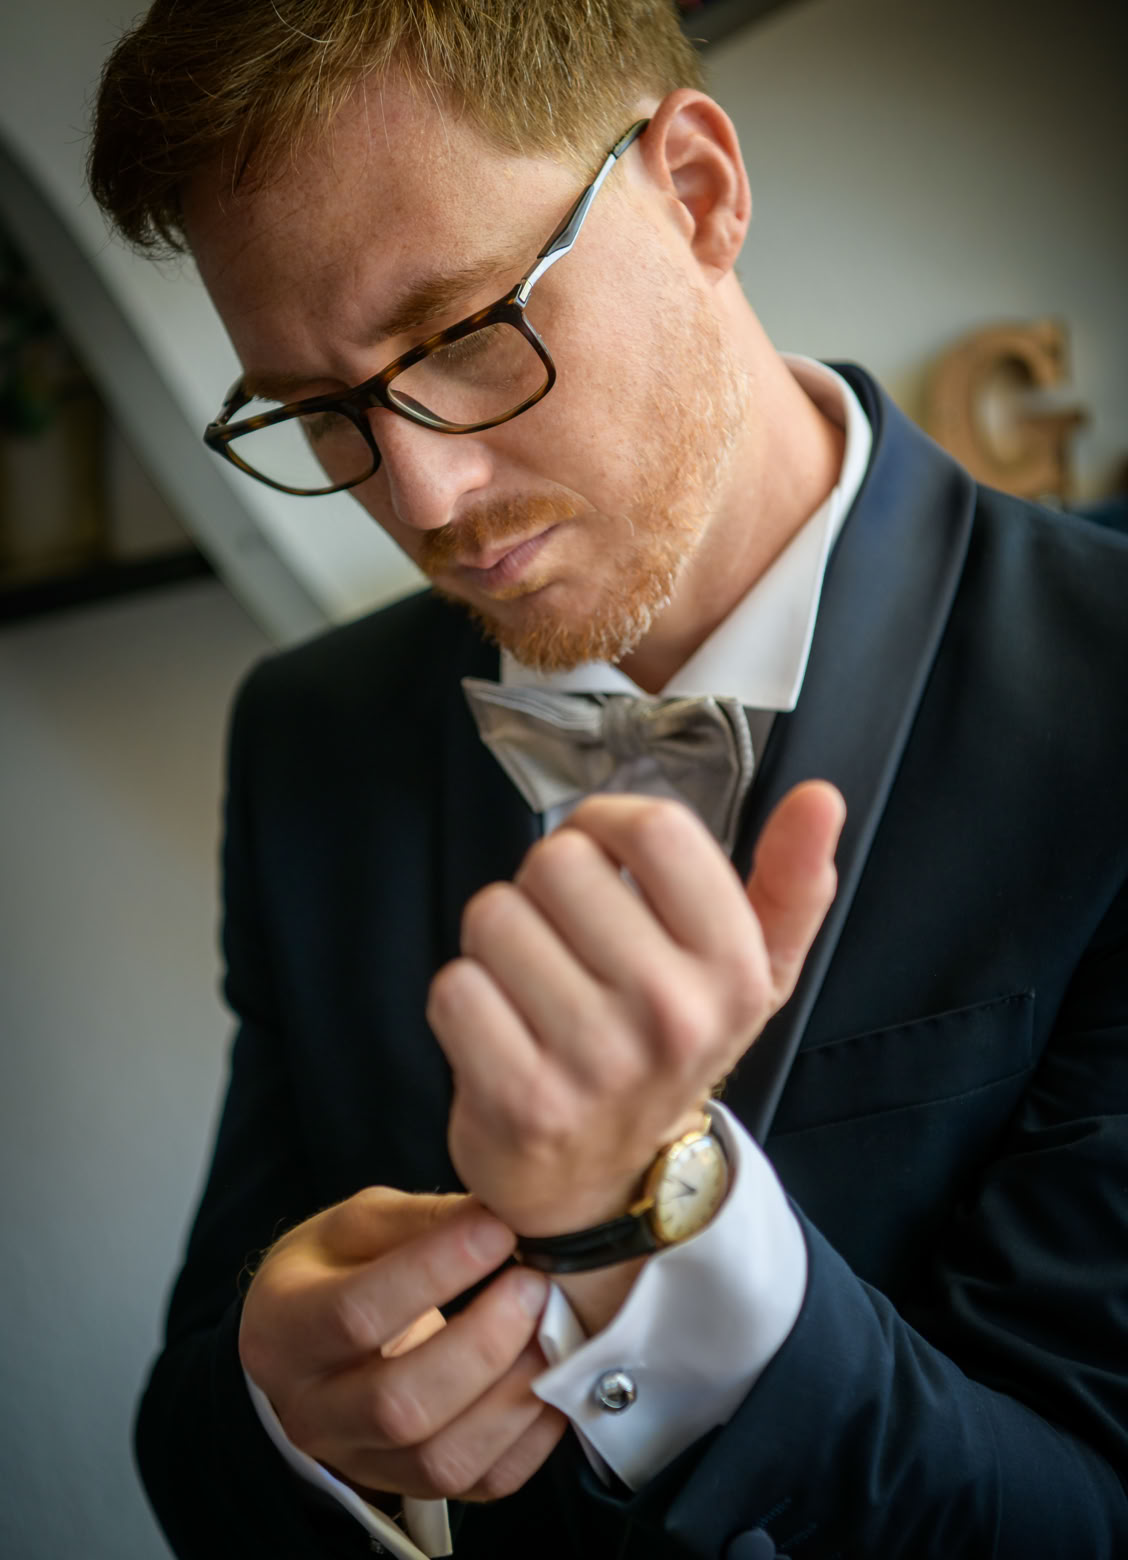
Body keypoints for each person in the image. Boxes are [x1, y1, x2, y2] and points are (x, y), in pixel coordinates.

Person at [88, 3, 1128, 1557]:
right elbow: (192, 1433)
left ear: (698, 191)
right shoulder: (307, 738)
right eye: (316, 410)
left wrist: (655, 1229)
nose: (422, 495)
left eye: (459, 334)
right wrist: (295, 1421)